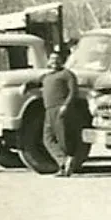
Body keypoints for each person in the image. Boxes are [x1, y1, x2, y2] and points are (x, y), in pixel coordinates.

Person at [20, 48, 81, 177]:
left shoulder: (67, 74)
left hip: (61, 109)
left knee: (62, 138)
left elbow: (73, 91)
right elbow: (36, 82)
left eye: (57, 60)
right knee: (47, 139)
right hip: (48, 110)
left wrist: (66, 106)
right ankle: (63, 161)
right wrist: (26, 85)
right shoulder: (47, 76)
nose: (54, 62)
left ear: (62, 61)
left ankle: (65, 165)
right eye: (52, 59)